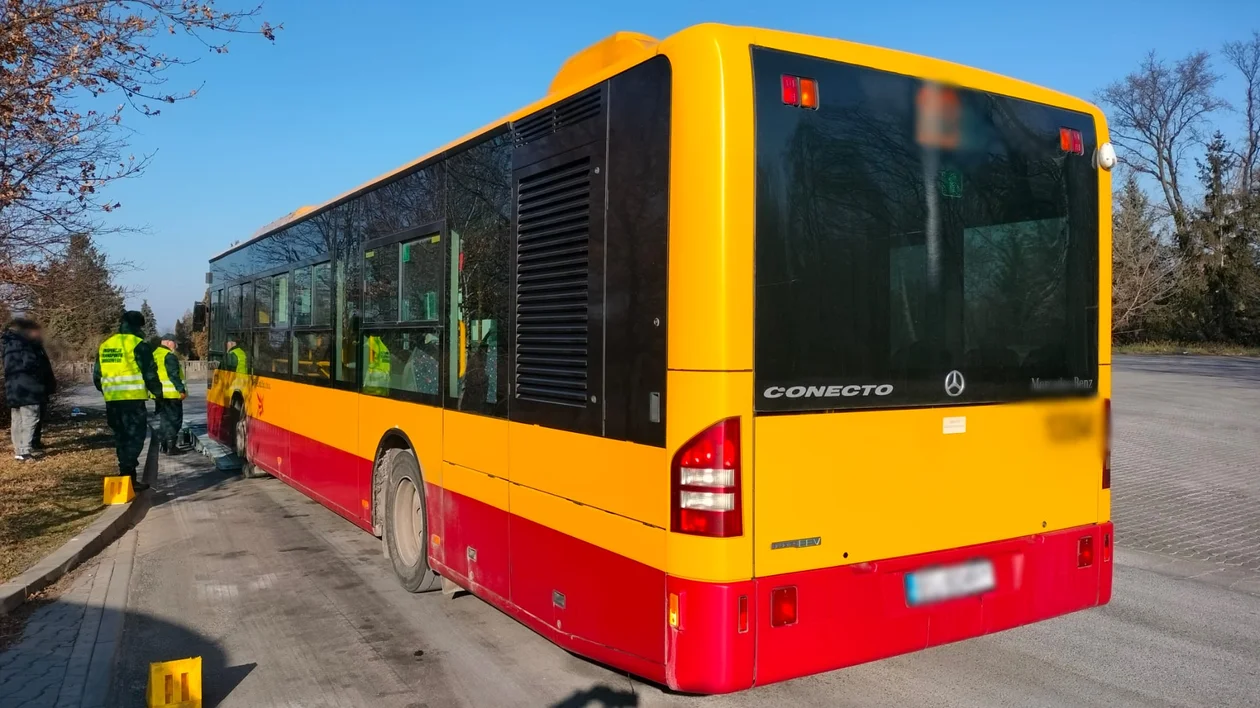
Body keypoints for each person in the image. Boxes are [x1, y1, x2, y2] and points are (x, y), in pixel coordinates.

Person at [94, 311, 162, 489]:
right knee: (135, 438)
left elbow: (97, 376)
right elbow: (150, 374)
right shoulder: (139, 345)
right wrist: (159, 395)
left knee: (121, 438)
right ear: (139, 326)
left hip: (112, 402)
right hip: (132, 401)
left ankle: (128, 479)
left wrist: (109, 391)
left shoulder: (106, 345)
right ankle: (126, 473)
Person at [3, 318, 56, 461]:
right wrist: (41, 377)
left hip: (14, 388)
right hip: (29, 388)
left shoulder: (9, 343)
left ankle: (19, 451)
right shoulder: (25, 344)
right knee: (30, 419)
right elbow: (31, 364)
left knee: (17, 420)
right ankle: (25, 451)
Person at [150, 337, 187, 454]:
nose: (176, 346)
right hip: (171, 394)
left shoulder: (154, 355)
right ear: (169, 342)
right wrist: (181, 390)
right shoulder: (169, 356)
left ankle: (164, 445)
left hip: (159, 395)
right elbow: (173, 375)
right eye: (175, 343)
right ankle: (171, 447)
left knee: (164, 420)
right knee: (174, 421)